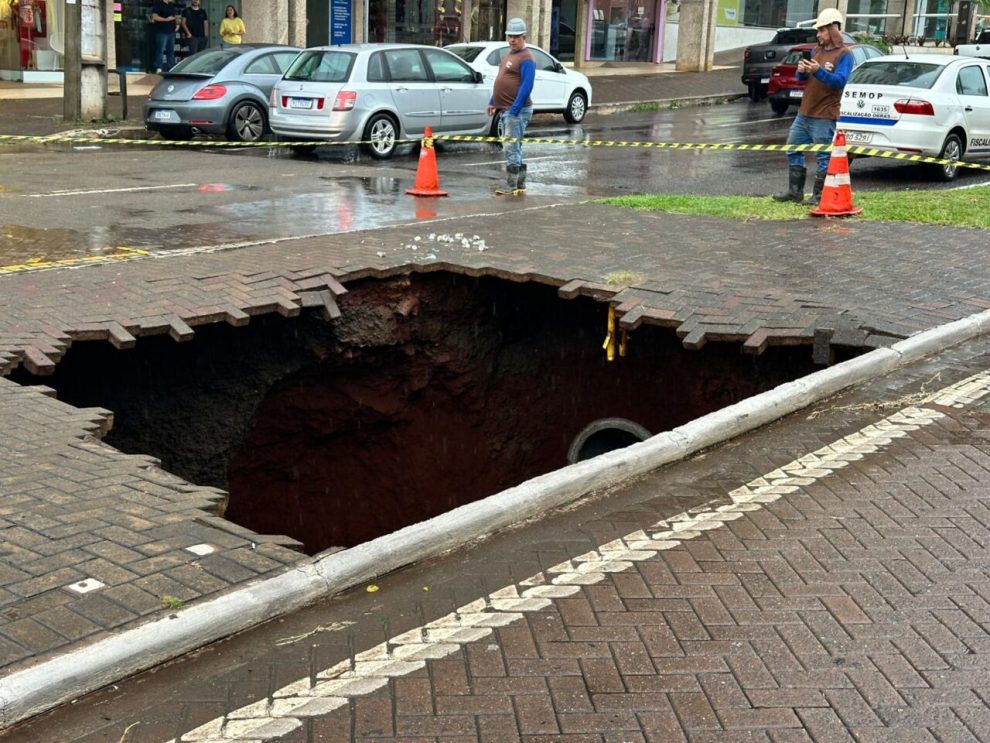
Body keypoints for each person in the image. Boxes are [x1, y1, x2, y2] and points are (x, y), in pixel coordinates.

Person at [773, 7, 852, 206]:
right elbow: (803, 78)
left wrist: (817, 71)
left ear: (833, 29)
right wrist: (801, 71)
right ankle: (795, 191)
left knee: (823, 155)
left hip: (825, 114)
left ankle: (818, 195)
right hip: (805, 112)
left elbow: (839, 81)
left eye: (822, 30)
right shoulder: (816, 50)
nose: (818, 35)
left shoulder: (845, 54)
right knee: (793, 147)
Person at [487, 17, 536, 196]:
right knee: (514, 146)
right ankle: (520, 183)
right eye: (510, 36)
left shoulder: (527, 58)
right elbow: (502, 81)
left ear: (524, 37)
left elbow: (526, 86)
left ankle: (511, 185)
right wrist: (493, 101)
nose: (512, 40)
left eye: (516, 36)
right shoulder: (509, 55)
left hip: (517, 110)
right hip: (506, 108)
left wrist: (514, 109)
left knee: (511, 146)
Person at [150, 0, 178, 73]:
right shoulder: (158, 4)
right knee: (160, 50)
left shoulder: (171, 5)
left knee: (171, 51)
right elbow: (154, 17)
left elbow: (175, 16)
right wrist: (166, 19)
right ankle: (159, 67)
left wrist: (177, 24)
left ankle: (171, 67)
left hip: (171, 31)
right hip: (162, 31)